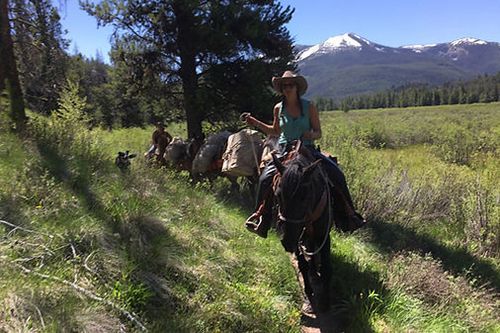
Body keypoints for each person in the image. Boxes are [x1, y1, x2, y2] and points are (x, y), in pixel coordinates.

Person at [244, 70, 366, 238]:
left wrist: (310, 135)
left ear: (297, 87)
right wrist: (255, 122)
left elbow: (318, 132)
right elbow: (275, 131)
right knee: (265, 178)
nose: (288, 88)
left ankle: (349, 215)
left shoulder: (309, 106)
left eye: (291, 85)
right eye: (284, 85)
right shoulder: (278, 108)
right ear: (281, 88)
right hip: (284, 149)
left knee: (336, 174)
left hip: (307, 149)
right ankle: (261, 220)